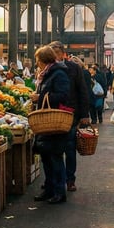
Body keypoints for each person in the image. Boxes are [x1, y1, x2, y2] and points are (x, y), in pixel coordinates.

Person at [50, 42, 91, 192]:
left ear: (63, 53)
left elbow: (82, 91)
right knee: (55, 148)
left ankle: (70, 179)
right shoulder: (47, 69)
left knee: (70, 148)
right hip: (53, 114)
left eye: (56, 53)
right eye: (52, 53)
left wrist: (84, 115)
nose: (54, 56)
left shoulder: (74, 68)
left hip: (71, 114)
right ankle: (57, 179)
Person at [31, 45, 70, 205]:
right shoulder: (46, 74)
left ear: (43, 60)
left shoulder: (58, 74)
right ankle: (49, 189)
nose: (37, 63)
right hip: (45, 122)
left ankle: (59, 192)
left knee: (55, 157)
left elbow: (63, 95)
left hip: (53, 122)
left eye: (38, 60)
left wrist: (39, 98)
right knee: (46, 157)